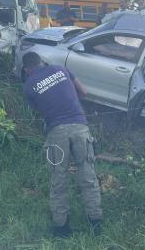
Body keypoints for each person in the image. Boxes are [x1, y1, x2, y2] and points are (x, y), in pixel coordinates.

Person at [22, 52, 103, 238]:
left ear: (27, 69)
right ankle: (96, 223)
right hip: (80, 127)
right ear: (42, 61)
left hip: (56, 132)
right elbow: (84, 92)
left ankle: (61, 228)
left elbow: (39, 110)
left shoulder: (28, 86)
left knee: (58, 179)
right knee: (88, 175)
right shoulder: (61, 69)